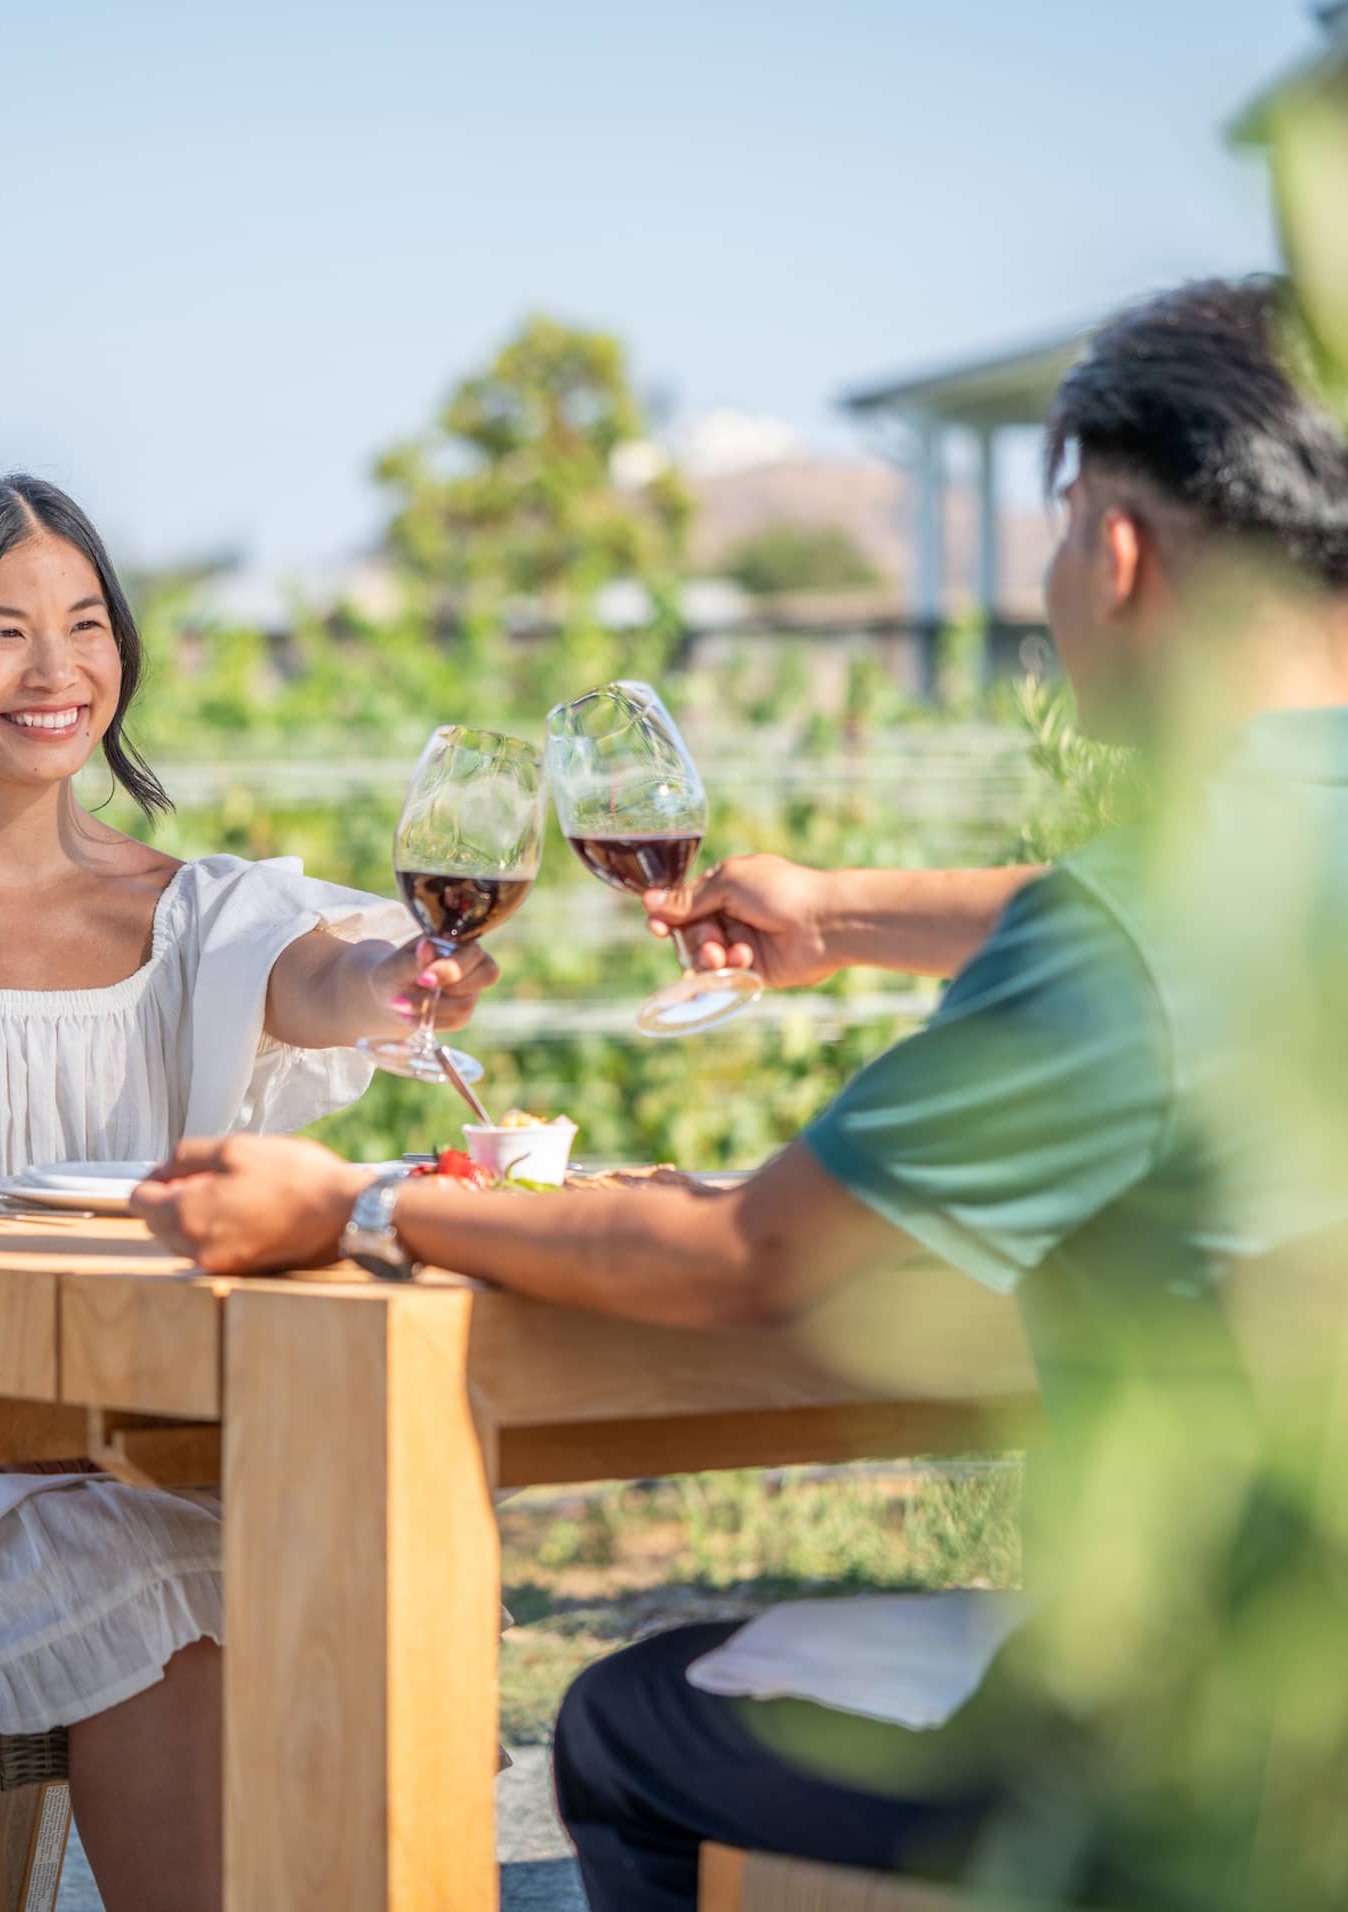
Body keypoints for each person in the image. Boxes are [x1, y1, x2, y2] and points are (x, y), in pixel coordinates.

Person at [136, 277, 1348, 1907]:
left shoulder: (1135, 924)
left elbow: (747, 1261)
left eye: (1059, 528)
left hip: (1228, 1731)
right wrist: (839, 914)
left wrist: (350, 1201)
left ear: (1118, 554)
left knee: (630, 1724)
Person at [0, 473, 499, 1911]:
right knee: (170, 1565)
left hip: (132, 1428)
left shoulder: (193, 915)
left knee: (266, 1536)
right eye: (3, 632)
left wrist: (398, 978)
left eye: (85, 624)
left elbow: (321, 982)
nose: (56, 670)